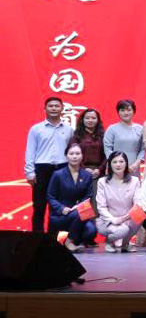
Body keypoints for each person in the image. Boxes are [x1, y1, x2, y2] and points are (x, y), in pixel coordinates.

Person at [25, 96, 73, 232]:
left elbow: (72, 151)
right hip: (42, 169)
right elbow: (30, 151)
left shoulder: (68, 129)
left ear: (62, 108)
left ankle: (55, 238)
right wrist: (29, 172)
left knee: (59, 206)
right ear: (45, 109)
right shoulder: (36, 129)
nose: (54, 108)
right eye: (50, 106)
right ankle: (37, 238)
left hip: (62, 169)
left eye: (57, 106)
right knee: (39, 205)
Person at [46, 143, 97, 251]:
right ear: (66, 156)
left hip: (78, 213)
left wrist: (79, 206)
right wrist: (61, 208)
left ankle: (69, 239)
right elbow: (50, 196)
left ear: (82, 156)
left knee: (91, 230)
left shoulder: (87, 175)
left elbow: (88, 196)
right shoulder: (58, 174)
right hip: (61, 215)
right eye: (71, 154)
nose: (74, 156)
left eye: (77, 154)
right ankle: (68, 241)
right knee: (81, 214)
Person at [95, 151, 141, 252]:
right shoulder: (102, 182)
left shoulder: (135, 181)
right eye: (115, 162)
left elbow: (137, 204)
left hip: (127, 218)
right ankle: (109, 241)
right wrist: (113, 220)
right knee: (123, 230)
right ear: (110, 165)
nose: (118, 165)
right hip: (108, 220)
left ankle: (125, 243)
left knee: (139, 217)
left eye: (121, 161)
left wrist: (125, 218)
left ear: (126, 163)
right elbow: (101, 207)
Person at [104, 99, 145, 176]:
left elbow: (143, 149)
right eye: (122, 110)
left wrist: (136, 163)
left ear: (134, 111)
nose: (126, 113)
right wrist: (116, 163)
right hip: (116, 167)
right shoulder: (112, 129)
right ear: (118, 112)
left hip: (133, 167)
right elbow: (107, 149)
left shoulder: (140, 129)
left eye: (129, 110)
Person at [72, 108, 106, 177]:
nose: (90, 120)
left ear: (98, 120)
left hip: (99, 172)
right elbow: (72, 154)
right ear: (82, 120)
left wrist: (99, 169)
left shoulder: (103, 136)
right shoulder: (77, 135)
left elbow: (107, 154)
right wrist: (84, 168)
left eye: (93, 118)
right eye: (87, 118)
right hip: (79, 171)